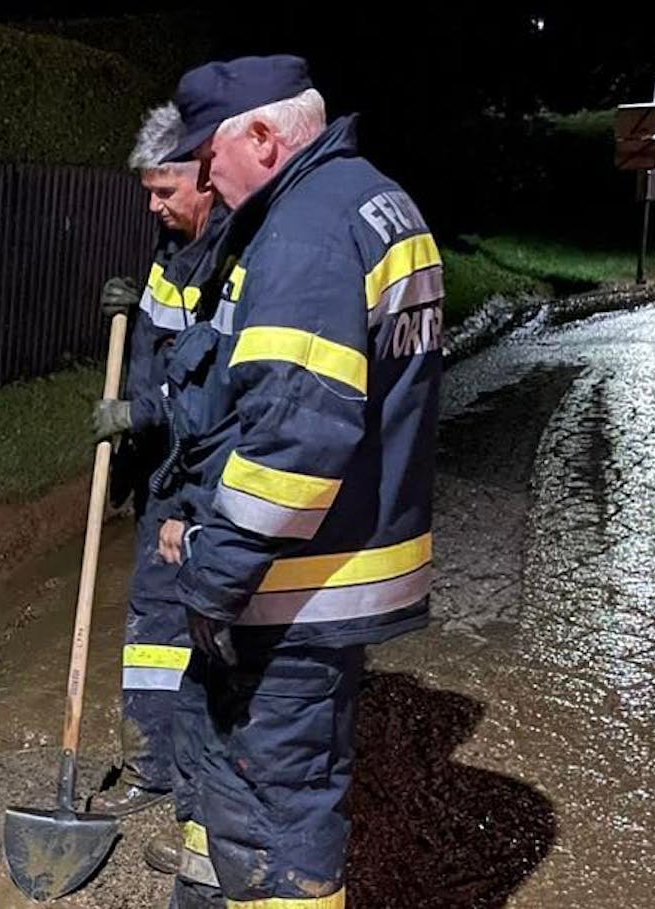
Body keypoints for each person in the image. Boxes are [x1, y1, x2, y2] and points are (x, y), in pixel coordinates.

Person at [154, 55, 445, 908]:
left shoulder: (307, 233)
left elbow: (295, 443)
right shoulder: (369, 199)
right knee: (230, 785)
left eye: (211, 152)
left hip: (289, 585)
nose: (204, 173)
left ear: (266, 136)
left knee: (275, 820)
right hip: (329, 565)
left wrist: (211, 575)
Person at [89, 102, 229, 827]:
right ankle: (153, 767)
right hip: (162, 470)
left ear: (204, 176)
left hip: (205, 476)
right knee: (152, 624)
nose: (153, 204)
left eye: (163, 190)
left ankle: (197, 783)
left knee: (200, 625)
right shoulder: (171, 247)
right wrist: (130, 310)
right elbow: (155, 353)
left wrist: (141, 417)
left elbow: (214, 385)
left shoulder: (233, 256)